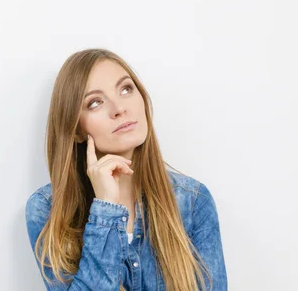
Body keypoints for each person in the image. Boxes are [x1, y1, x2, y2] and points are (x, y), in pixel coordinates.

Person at [25, 48, 228, 290]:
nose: (119, 108)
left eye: (125, 89)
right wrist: (106, 210)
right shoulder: (47, 210)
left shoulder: (193, 202)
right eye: (95, 102)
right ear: (76, 129)